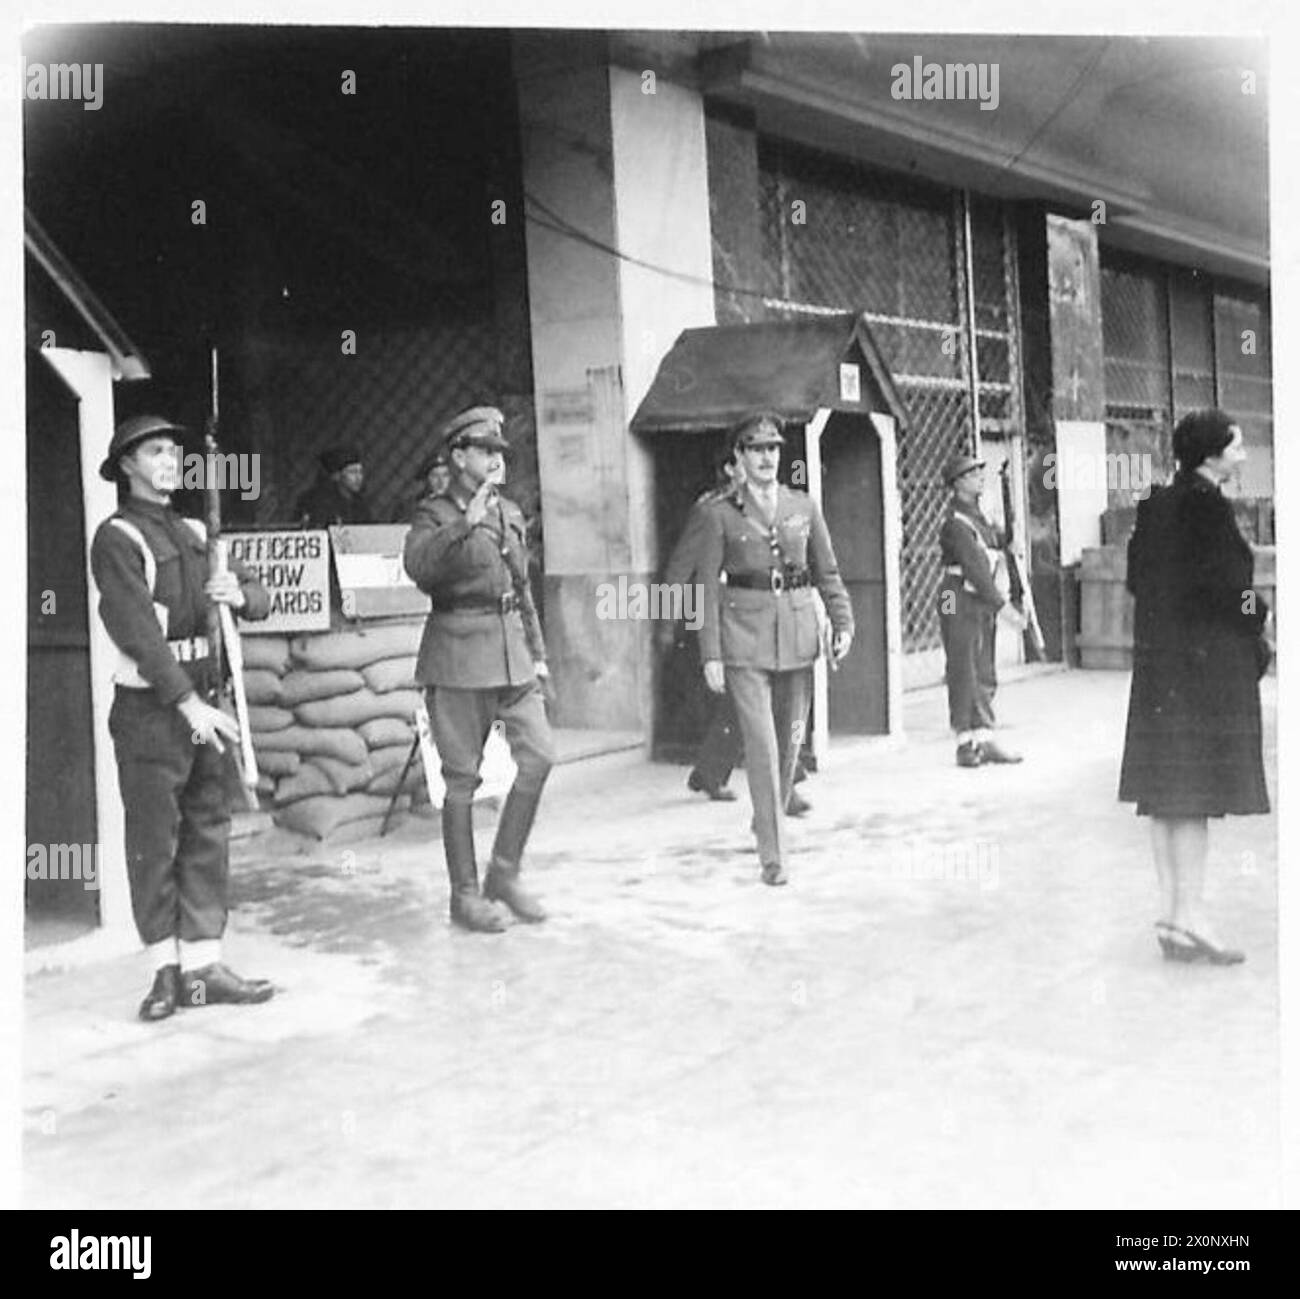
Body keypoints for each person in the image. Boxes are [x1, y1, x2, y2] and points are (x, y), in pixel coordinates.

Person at [90, 414, 275, 1022]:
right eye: (155, 451)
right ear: (127, 465)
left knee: (206, 829)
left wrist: (237, 593)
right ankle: (163, 973)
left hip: (205, 699)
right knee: (154, 839)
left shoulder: (198, 530)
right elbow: (136, 632)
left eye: (174, 450)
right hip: (154, 707)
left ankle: (204, 966)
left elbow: (261, 595)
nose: (170, 460)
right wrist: (189, 705)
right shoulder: (117, 538)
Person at [1118, 409, 1271, 964]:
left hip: (1163, 670)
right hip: (1206, 673)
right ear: (1210, 454)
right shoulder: (1207, 509)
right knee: (1194, 799)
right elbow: (1231, 592)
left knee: (1166, 795)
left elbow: (1138, 581)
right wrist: (1265, 611)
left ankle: (1172, 915)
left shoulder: (1157, 505)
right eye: (1236, 446)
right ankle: (1193, 916)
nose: (1244, 454)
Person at [403, 405, 555, 933]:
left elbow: (521, 588)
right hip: (458, 655)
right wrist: (463, 528)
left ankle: (505, 873)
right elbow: (419, 569)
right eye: (485, 451)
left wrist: (538, 656)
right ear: (459, 455)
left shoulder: (509, 512)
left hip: (512, 654)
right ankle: (464, 895)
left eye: (499, 453)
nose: (494, 460)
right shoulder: (434, 514)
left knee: (540, 756)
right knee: (462, 781)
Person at [696, 411, 853, 886]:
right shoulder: (718, 513)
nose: (766, 458)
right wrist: (711, 654)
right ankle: (774, 854)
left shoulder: (802, 507)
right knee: (762, 747)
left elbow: (826, 571)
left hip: (799, 637)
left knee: (790, 744)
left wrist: (842, 622)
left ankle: (766, 818)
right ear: (739, 458)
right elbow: (704, 588)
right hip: (743, 641)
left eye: (773, 449)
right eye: (755, 449)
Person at [936, 450, 1026, 767]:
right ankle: (964, 742)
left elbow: (998, 543)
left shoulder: (979, 517)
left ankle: (984, 738)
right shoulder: (956, 523)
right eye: (973, 474)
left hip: (978, 598)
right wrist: (1006, 609)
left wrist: (1007, 540)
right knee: (963, 668)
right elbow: (975, 569)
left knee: (984, 666)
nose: (979, 478)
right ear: (958, 483)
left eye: (979, 473)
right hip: (957, 597)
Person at [295, 444, 373, 527]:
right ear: (336, 475)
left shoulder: (360, 505)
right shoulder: (317, 502)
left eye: (360, 472)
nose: (358, 478)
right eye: (352, 472)